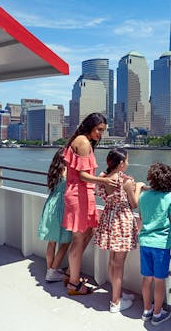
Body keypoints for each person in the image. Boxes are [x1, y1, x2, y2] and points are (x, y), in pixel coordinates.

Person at [62, 112, 117, 295]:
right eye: (99, 130)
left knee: (89, 231)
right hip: (79, 196)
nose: (101, 134)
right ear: (91, 126)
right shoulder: (84, 142)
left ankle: (71, 273)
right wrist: (104, 181)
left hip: (82, 195)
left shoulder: (79, 140)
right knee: (78, 239)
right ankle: (73, 284)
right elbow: (83, 176)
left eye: (103, 131)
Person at [94, 148, 144, 313]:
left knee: (112, 260)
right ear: (121, 164)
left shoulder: (103, 178)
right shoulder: (126, 182)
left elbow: (102, 194)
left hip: (108, 219)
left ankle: (116, 293)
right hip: (121, 222)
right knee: (119, 264)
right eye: (127, 160)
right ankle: (116, 302)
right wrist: (138, 187)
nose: (128, 163)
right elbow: (134, 203)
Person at [137, 163, 171, 326]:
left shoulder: (143, 196)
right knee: (159, 281)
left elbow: (141, 216)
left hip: (145, 241)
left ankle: (147, 310)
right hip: (161, 243)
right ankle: (157, 313)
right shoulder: (170, 197)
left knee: (147, 278)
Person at [37, 147, 71, 283]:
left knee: (52, 242)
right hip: (61, 207)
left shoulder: (54, 170)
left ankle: (50, 269)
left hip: (51, 204)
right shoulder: (68, 171)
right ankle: (52, 272)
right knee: (65, 241)